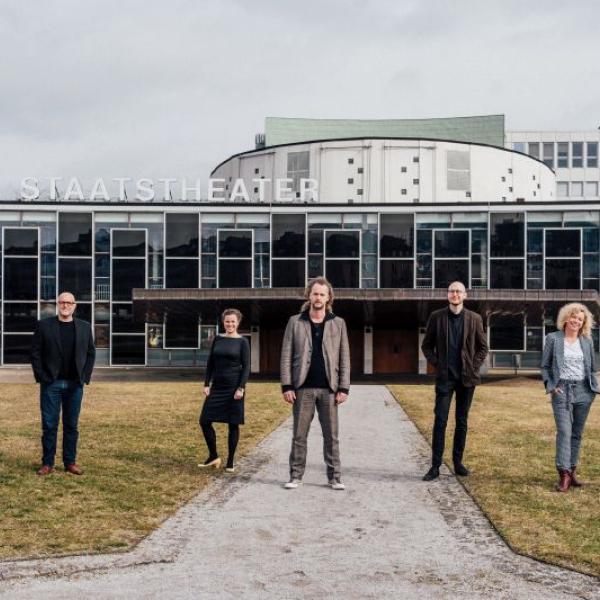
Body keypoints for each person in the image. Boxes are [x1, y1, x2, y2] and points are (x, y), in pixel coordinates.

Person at [280, 276, 350, 490]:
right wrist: (287, 385)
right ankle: (296, 476)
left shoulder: (338, 323)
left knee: (331, 436)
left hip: (330, 389)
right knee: (299, 435)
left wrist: (344, 387)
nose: (318, 297)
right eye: (315, 293)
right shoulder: (295, 321)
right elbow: (285, 355)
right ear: (309, 296)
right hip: (302, 388)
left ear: (328, 297)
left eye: (322, 294)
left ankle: (335, 477)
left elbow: (344, 356)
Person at [421, 281, 488, 481]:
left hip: (467, 379)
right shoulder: (437, 317)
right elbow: (426, 346)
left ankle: (458, 463)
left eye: (458, 291)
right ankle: (435, 466)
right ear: (447, 295)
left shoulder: (475, 318)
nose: (455, 294)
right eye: (452, 291)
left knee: (461, 421)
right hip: (445, 378)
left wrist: (473, 366)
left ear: (465, 295)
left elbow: (483, 347)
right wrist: (437, 363)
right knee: (440, 421)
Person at [30, 291, 96, 476]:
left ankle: (70, 462)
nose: (65, 305)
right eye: (62, 302)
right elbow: (35, 353)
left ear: (74, 306)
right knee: (49, 425)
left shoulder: (84, 327)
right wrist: (41, 376)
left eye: (69, 302)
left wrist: (85, 376)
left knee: (71, 425)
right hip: (51, 384)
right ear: (58, 305)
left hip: (75, 385)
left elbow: (91, 353)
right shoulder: (44, 326)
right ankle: (47, 463)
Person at [541, 303, 598, 492]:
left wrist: (593, 388)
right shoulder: (553, 338)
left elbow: (591, 368)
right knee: (565, 431)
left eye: (580, 319)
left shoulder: (587, 341)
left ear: (584, 323)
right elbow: (545, 367)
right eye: (573, 317)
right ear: (566, 318)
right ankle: (563, 473)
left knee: (577, 433)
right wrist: (552, 386)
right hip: (562, 389)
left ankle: (572, 470)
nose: (576, 321)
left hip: (584, 391)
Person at [199, 308, 250, 473]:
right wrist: (206, 384)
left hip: (234, 388)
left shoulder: (242, 342)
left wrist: (241, 388)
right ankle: (213, 456)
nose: (230, 324)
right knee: (204, 420)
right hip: (217, 387)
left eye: (233, 321)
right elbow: (210, 363)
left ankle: (230, 461)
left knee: (233, 424)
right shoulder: (218, 339)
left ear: (238, 322)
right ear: (223, 322)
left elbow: (246, 367)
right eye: (227, 321)